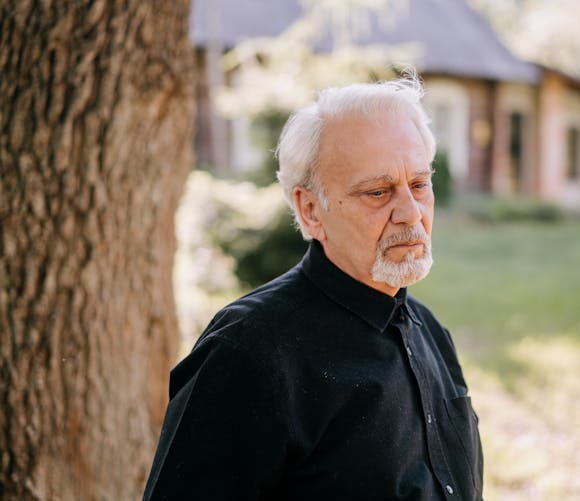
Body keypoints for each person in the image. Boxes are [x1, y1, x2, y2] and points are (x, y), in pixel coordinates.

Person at [143, 75, 483, 500]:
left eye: (418, 184)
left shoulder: (429, 332)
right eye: (378, 192)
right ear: (310, 210)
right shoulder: (247, 353)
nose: (411, 214)